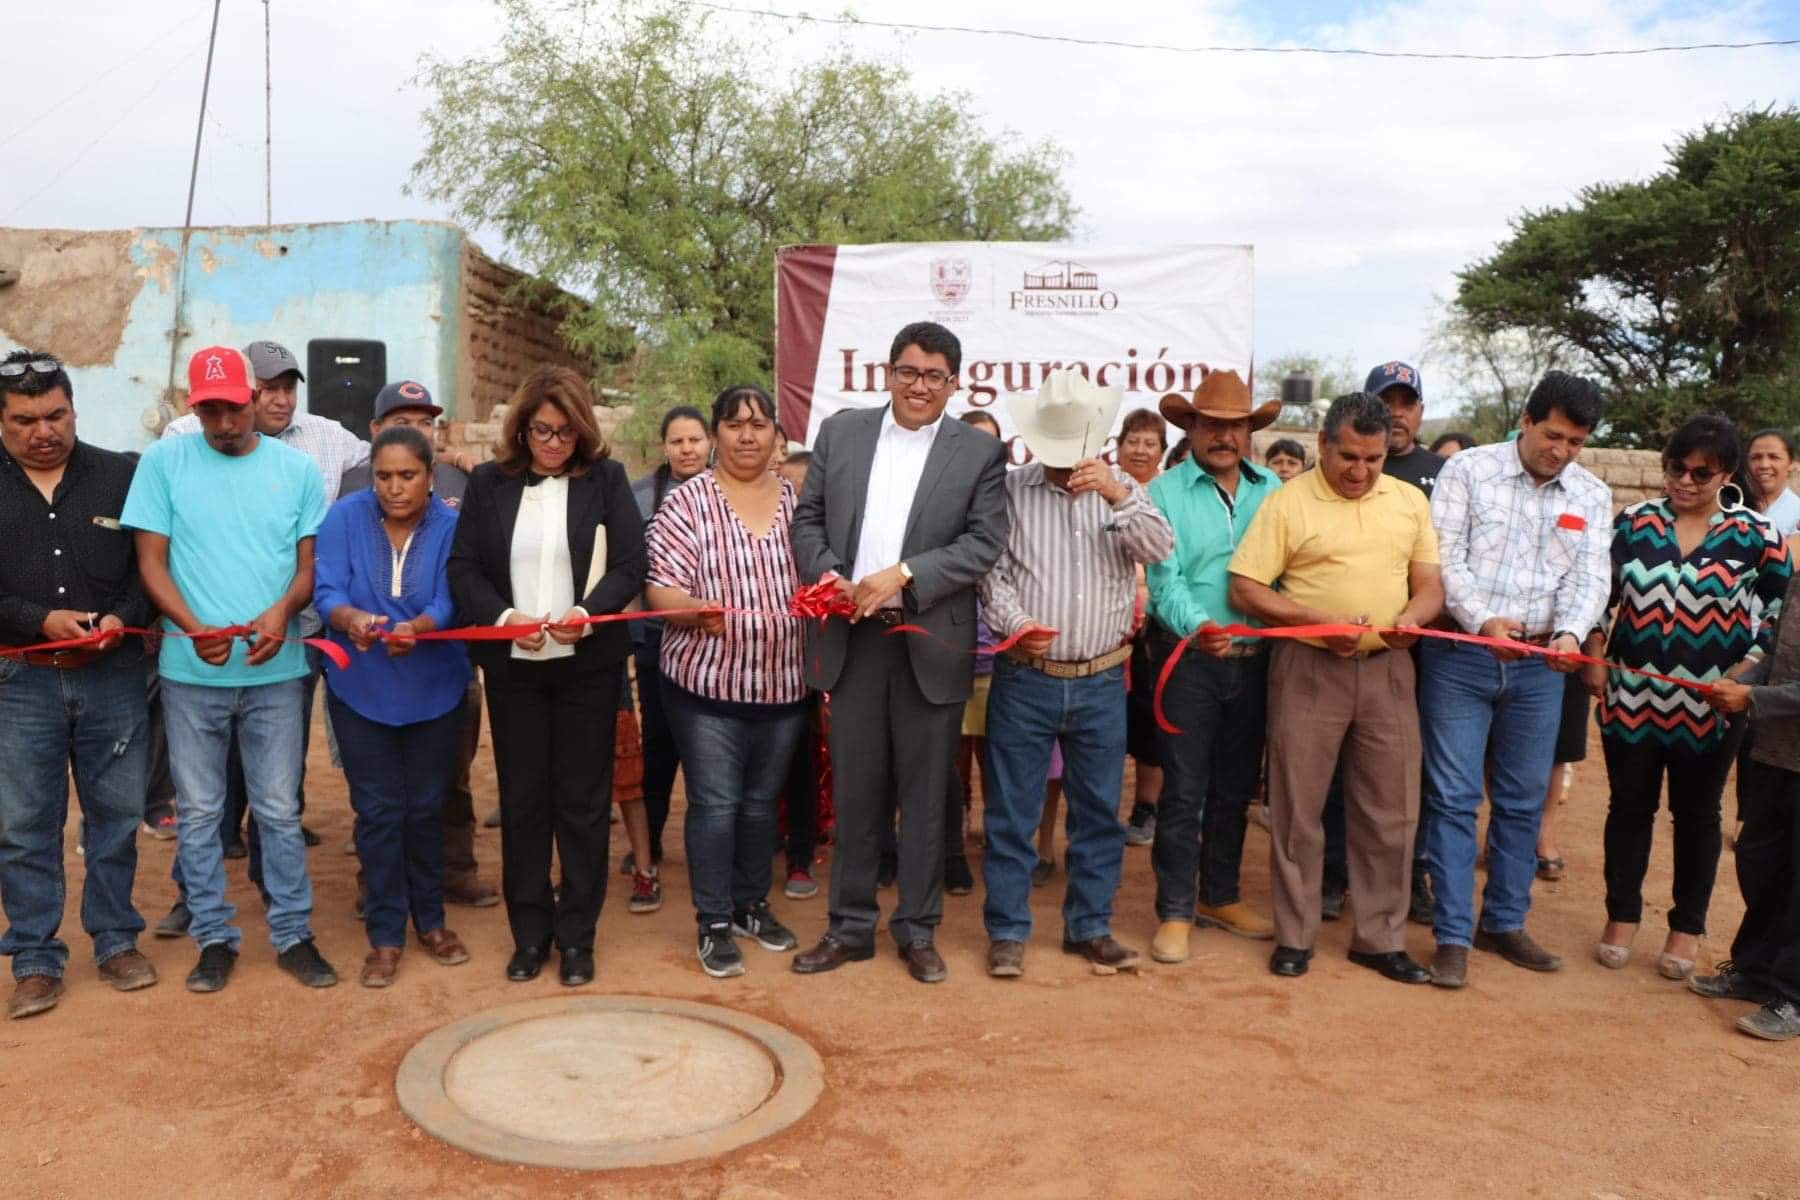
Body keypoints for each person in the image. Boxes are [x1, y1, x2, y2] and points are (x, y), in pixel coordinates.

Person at [788, 321, 1008, 984]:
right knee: (856, 794)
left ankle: (917, 929)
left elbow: (982, 543)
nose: (920, 386)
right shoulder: (843, 433)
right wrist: (830, 575)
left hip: (928, 641)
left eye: (934, 376)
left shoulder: (977, 453)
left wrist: (904, 575)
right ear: (888, 373)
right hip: (851, 638)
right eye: (909, 372)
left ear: (952, 383)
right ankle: (850, 927)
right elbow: (809, 520)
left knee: (925, 795)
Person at [124, 345, 336, 993]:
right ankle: (214, 937)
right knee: (198, 812)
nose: (224, 422)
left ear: (253, 398)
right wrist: (190, 628)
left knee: (276, 808)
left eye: (234, 407)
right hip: (193, 675)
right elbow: (150, 562)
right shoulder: (164, 463)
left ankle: (293, 932)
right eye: (210, 410)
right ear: (196, 408)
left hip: (277, 669)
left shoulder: (297, 471)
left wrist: (281, 614)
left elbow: (308, 568)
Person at [1228, 392, 1443, 983]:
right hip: (1308, 667)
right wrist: (1312, 625)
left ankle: (1380, 938)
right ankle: (1295, 936)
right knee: (1298, 807)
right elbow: (1245, 586)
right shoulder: (1288, 503)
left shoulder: (1406, 502)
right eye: (1348, 456)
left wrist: (1414, 620)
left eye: (1373, 459)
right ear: (1323, 445)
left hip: (1388, 670)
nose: (1360, 471)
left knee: (1392, 810)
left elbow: (1429, 583)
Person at [448, 366, 646, 987]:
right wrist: (506, 619)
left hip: (588, 665)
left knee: (584, 805)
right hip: (516, 669)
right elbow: (465, 569)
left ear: (581, 431)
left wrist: (586, 616)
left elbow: (631, 564)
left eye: (564, 432)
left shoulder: (606, 480)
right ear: (522, 428)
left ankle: (578, 937)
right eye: (542, 431)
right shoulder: (489, 483)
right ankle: (530, 935)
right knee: (525, 803)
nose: (553, 443)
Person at [979, 370, 1174, 978]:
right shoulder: (1011, 492)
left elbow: (1159, 549)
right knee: (1011, 812)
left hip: (1100, 679)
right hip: (1025, 672)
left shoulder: (1127, 493)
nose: (1066, 466)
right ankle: (1008, 930)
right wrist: (1016, 622)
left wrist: (1118, 496)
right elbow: (992, 575)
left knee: (1097, 813)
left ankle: (1089, 926)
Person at [1421, 371, 1611, 987]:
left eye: (1576, 442)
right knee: (1452, 797)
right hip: (1461, 653)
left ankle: (1503, 921)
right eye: (1554, 434)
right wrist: (1483, 621)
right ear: (1526, 421)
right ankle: (1452, 933)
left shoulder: (1591, 494)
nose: (1562, 451)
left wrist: (1571, 633)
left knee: (1525, 799)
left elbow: (1591, 580)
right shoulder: (1468, 472)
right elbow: (1444, 557)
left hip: (1541, 666)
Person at [1585, 413, 1789, 980]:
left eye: (1702, 472)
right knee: (1628, 807)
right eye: (1676, 467)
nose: (1686, 480)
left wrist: (1746, 677)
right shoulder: (1632, 523)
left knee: (1697, 814)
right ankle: (1621, 915)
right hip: (1630, 695)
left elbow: (1777, 617)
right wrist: (1598, 647)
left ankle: (1687, 927)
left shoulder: (1757, 537)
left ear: (1727, 473)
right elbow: (1597, 595)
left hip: (1713, 704)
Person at [0, 351, 157, 1018]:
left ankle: (117, 939)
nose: (44, 431)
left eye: (56, 415)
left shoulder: (121, 475)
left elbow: (151, 571)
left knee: (116, 820)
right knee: (24, 825)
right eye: (25, 420)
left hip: (114, 679)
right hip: (21, 682)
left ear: (73, 409)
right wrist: (42, 621)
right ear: (2, 422)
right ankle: (35, 958)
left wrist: (121, 619)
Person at [646, 385, 808, 978]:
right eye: (735, 424)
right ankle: (713, 922)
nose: (747, 435)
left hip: (784, 684)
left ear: (774, 437)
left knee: (762, 806)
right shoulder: (689, 502)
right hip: (704, 686)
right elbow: (658, 587)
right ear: (715, 434)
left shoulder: (799, 503)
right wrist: (691, 609)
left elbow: (823, 572)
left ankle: (751, 906)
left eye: (759, 424)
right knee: (716, 804)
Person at [315, 426, 472, 987]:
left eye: (408, 476)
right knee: (379, 814)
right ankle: (384, 935)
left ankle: (431, 921)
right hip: (361, 689)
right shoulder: (344, 518)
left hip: (436, 688)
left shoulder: (454, 526)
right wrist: (350, 619)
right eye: (384, 476)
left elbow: (452, 598)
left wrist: (423, 626)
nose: (394, 488)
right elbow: (327, 589)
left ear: (431, 476)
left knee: (427, 809)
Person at [338, 381, 498, 910]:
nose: (397, 484)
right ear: (376, 432)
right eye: (403, 420)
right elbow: (337, 573)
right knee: (380, 793)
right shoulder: (352, 489)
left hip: (448, 665)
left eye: (426, 421)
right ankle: (379, 886)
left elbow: (470, 573)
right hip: (368, 670)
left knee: (448, 778)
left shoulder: (460, 481)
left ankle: (455, 870)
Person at [1143, 370, 1283, 964]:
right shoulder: (1163, 494)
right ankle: (1175, 908)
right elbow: (1162, 581)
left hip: (1258, 661)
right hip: (1188, 658)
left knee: (1234, 787)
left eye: (1236, 426)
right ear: (1192, 427)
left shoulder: (1275, 489)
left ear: (1250, 431)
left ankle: (1219, 896)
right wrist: (1199, 626)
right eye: (1213, 425)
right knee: (1183, 789)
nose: (1225, 436)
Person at [1699, 571, 1800, 1040]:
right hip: (1772, 753)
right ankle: (1755, 969)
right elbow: (1776, 652)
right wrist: (1743, 679)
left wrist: (1752, 697)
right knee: (1762, 864)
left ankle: (1792, 997)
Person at [624, 406, 712, 907]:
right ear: (664, 447)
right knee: (657, 746)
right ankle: (649, 843)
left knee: (711, 753)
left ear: (710, 443)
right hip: (658, 643)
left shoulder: (730, 494)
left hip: (720, 643)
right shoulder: (638, 497)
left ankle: (711, 849)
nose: (687, 449)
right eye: (677, 441)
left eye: (695, 440)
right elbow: (630, 571)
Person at [1114, 407, 1169, 847]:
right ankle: (1099, 811)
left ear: (1162, 452)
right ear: (1118, 447)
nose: (1140, 449)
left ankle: (1146, 807)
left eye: (1150, 443)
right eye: (1133, 440)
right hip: (1109, 631)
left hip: (1155, 630)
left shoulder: (1168, 496)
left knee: (1150, 717)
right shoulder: (1102, 489)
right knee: (1107, 724)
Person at [1366, 361, 1443, 496]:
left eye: (1408, 403)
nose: (1396, 413)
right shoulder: (1341, 468)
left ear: (1421, 411)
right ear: (1364, 407)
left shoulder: (1444, 471)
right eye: (1385, 402)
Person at [1744, 429, 1800, 538]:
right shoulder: (1729, 505)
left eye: (1774, 457)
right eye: (1756, 457)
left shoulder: (1797, 513)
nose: (1764, 465)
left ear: (1791, 463)